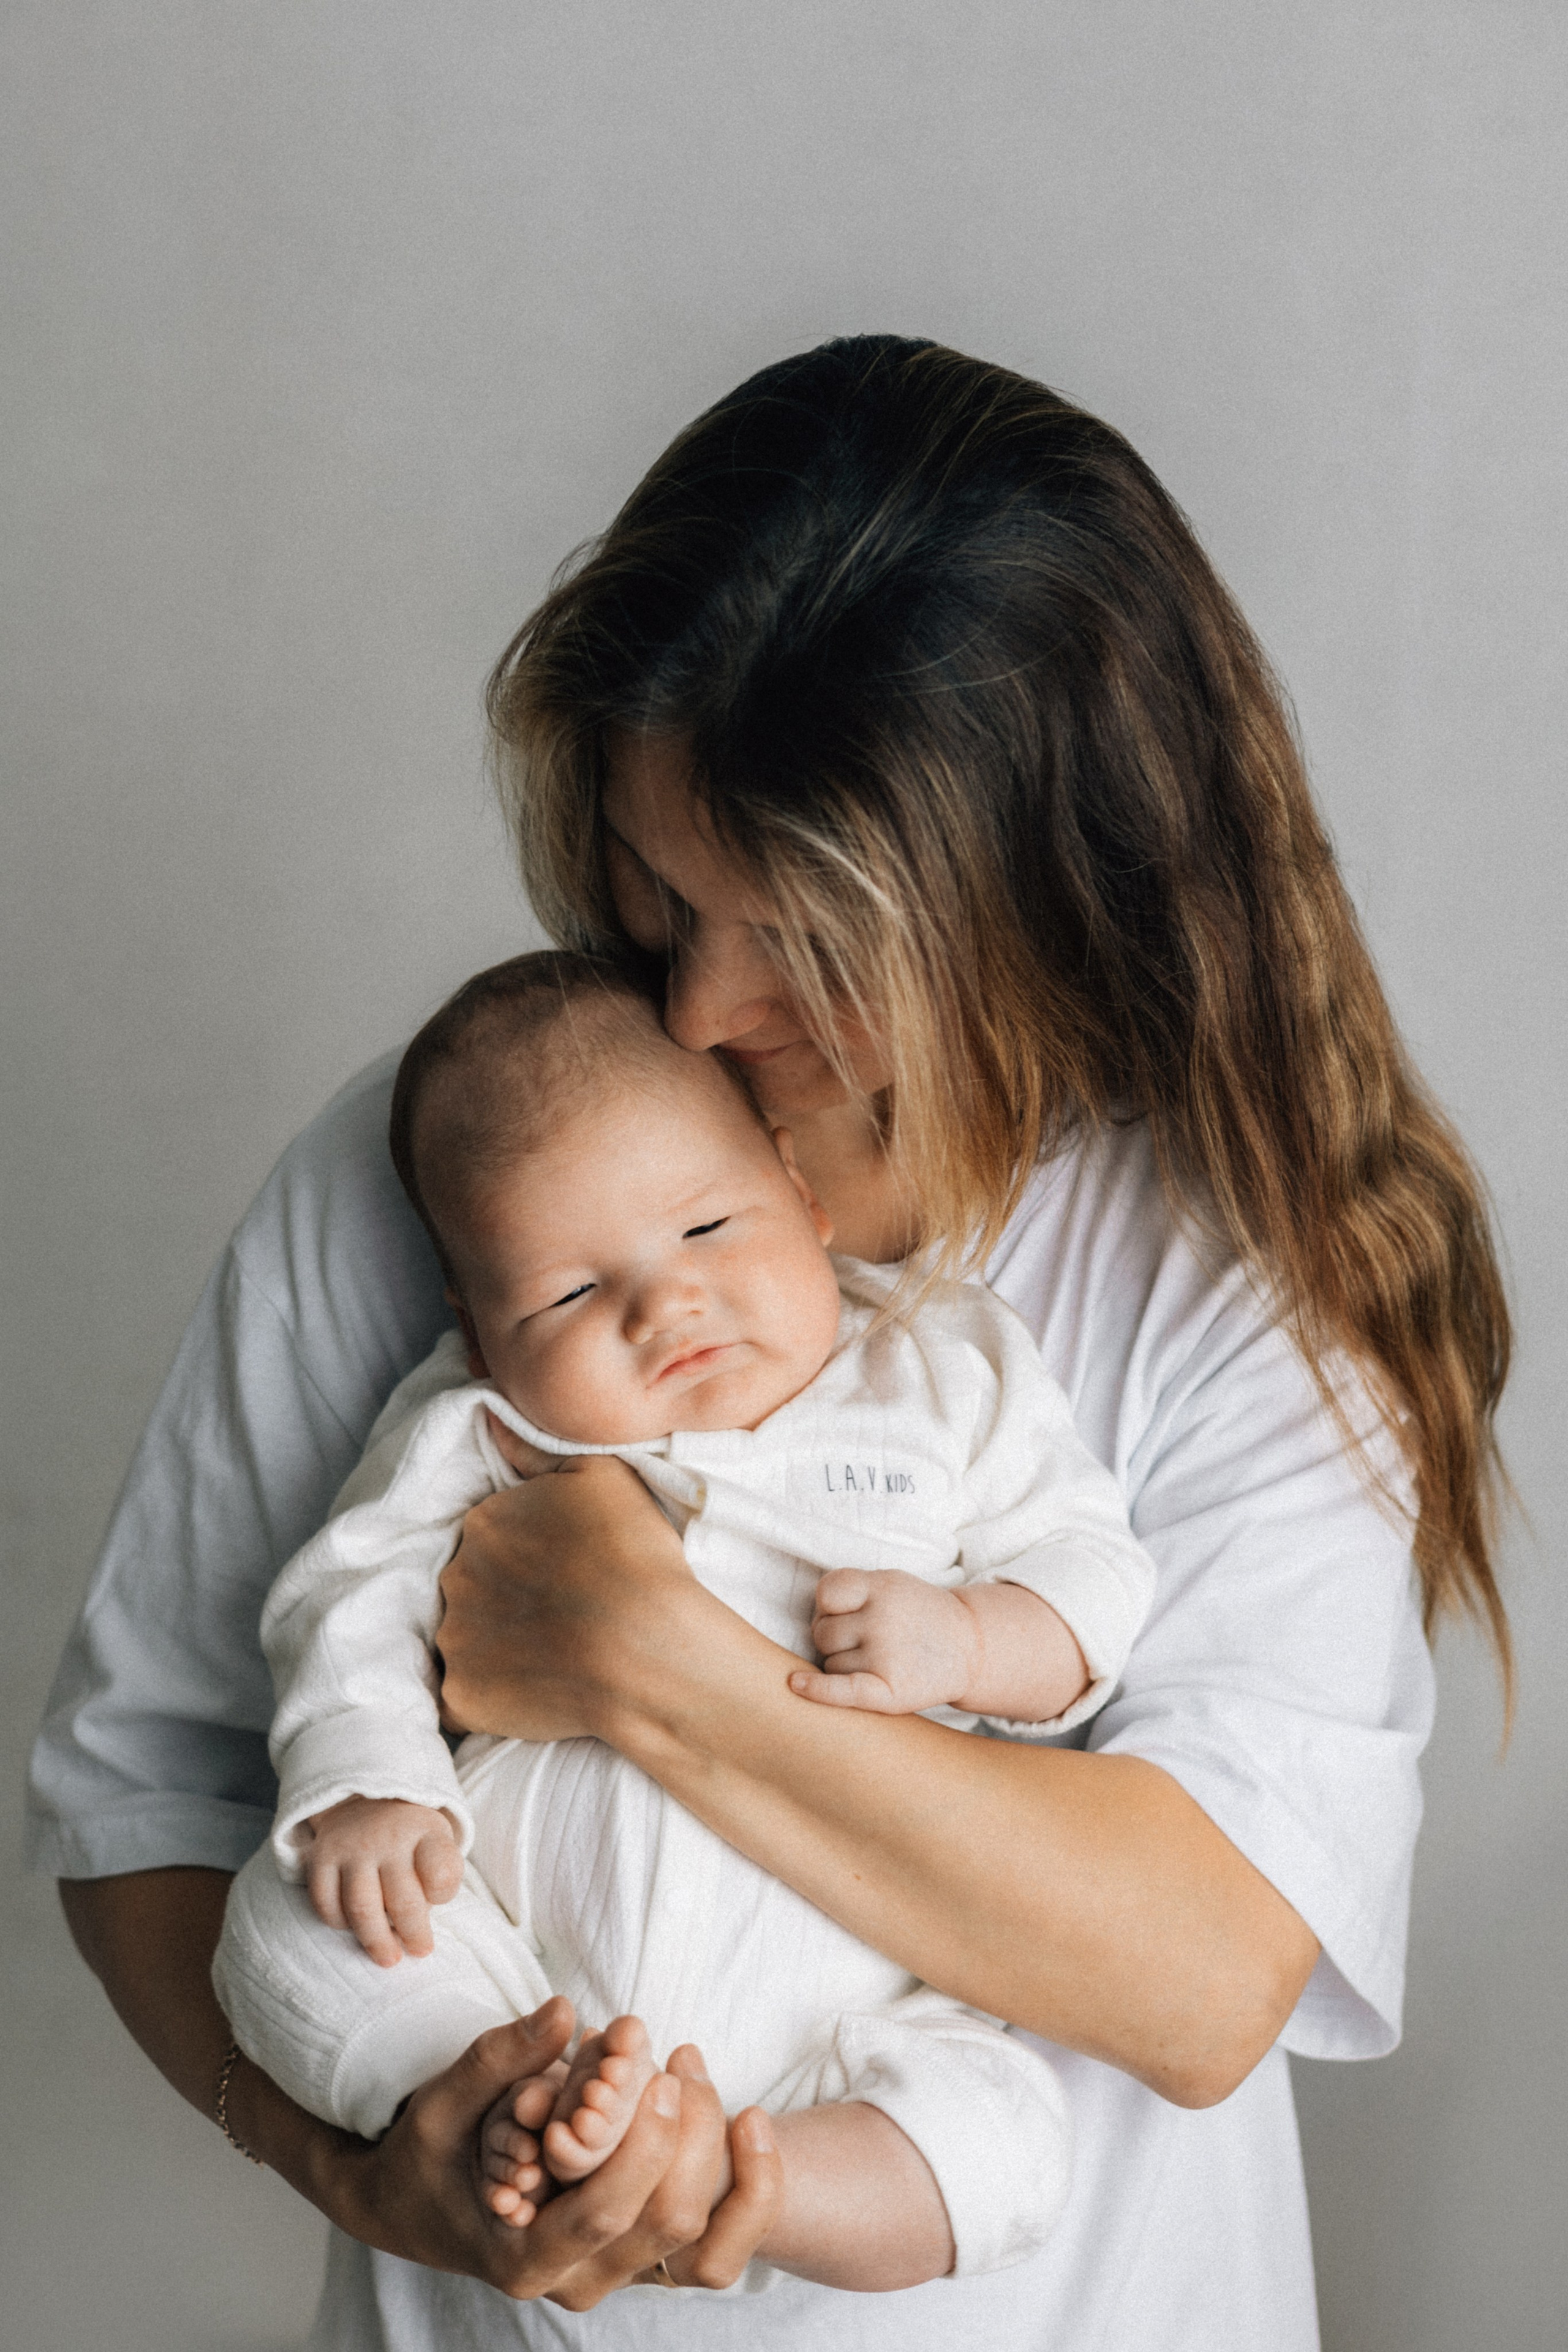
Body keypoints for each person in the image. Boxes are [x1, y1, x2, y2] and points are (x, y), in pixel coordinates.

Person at [28, 334, 1510, 2351]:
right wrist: (359, 2153)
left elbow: (1202, 1969)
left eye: (810, 945)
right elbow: (149, 1805)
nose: (707, 1008)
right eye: (659, 890)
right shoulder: (452, 1179)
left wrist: (650, 1661)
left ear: (1046, 910)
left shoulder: (1229, 1275)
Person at [214, 951, 1157, 2288]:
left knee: (1007, 2144)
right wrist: (369, 1781)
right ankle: (504, 2113)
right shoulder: (475, 1431)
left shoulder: (939, 1372)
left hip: (849, 2004)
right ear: (479, 1336)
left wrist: (970, 1639)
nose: (667, 1304)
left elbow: (1092, 1571)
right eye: (565, 1296)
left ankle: (731, 2182)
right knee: (283, 1927)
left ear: (800, 1192)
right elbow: (347, 1596)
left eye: (707, 1230)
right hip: (519, 1980)